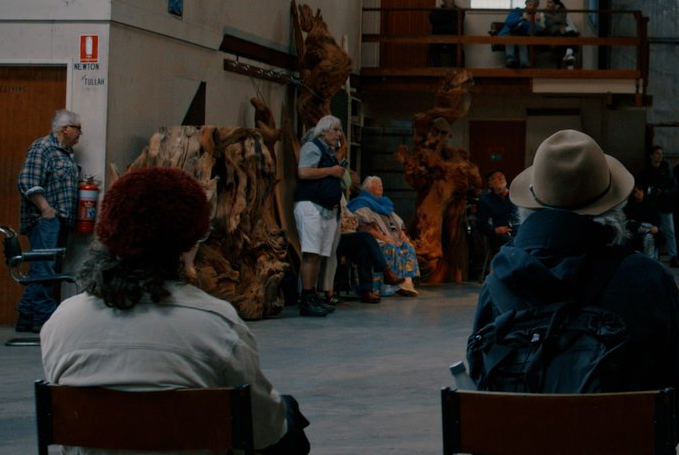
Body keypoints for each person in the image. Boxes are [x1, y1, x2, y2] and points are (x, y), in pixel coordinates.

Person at [42, 167, 310, 454]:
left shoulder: (62, 321)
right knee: (288, 412)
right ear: (186, 245)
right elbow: (264, 431)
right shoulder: (217, 323)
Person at [471, 130, 679, 446]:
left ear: (531, 203)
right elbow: (673, 408)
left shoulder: (497, 282)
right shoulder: (648, 280)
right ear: (612, 205)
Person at [15, 109, 84, 333]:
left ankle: (26, 314)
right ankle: (44, 318)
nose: (80, 133)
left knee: (43, 267)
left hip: (60, 220)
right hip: (45, 220)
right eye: (78, 129)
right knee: (44, 268)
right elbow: (27, 181)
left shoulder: (66, 153)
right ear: (65, 129)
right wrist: (45, 209)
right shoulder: (43, 147)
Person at [295, 115, 347, 317]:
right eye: (336, 130)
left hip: (326, 209)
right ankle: (306, 297)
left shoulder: (329, 152)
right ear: (323, 131)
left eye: (340, 130)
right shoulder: (312, 147)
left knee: (317, 255)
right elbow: (304, 172)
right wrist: (331, 171)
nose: (339, 134)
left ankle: (313, 295)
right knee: (310, 254)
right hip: (311, 206)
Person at [348, 176, 421, 297]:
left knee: (408, 247)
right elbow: (363, 227)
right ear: (368, 188)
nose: (380, 185)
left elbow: (398, 222)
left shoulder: (384, 203)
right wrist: (383, 238)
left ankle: (406, 283)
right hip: (375, 240)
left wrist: (402, 233)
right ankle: (386, 288)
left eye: (381, 183)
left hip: (393, 238)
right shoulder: (361, 203)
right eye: (377, 183)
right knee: (390, 248)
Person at [641, 146, 679, 264]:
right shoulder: (646, 171)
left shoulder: (667, 170)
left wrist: (664, 192)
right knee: (654, 231)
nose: (660, 155)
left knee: (670, 231)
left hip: (665, 204)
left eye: (661, 153)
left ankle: (673, 256)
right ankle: (655, 256)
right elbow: (643, 187)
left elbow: (674, 187)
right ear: (651, 155)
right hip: (652, 205)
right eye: (657, 153)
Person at [475, 169, 517, 270]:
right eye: (496, 178)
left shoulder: (514, 196)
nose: (500, 178)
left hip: (516, 231)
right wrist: (495, 230)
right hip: (498, 235)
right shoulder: (485, 200)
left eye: (501, 176)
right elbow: (481, 224)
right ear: (490, 184)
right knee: (515, 243)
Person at [623, 184, 663, 259]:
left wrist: (656, 226)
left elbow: (657, 218)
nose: (639, 193)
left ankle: (650, 259)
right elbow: (627, 221)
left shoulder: (650, 204)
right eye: (636, 192)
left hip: (650, 231)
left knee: (649, 235)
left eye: (640, 190)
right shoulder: (630, 205)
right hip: (636, 230)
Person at [500, 0, 540, 67]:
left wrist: (535, 22)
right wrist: (521, 18)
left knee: (522, 39)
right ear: (526, 3)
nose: (531, 8)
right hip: (507, 33)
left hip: (519, 35)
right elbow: (508, 23)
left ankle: (524, 63)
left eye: (534, 6)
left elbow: (532, 32)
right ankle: (510, 61)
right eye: (530, 5)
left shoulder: (533, 17)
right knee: (510, 38)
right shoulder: (517, 11)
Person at [428, 0, 463, 67]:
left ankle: (455, 72)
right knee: (433, 48)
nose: (451, 1)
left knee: (458, 51)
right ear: (443, 0)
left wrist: (441, 21)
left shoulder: (458, 11)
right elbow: (432, 18)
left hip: (453, 40)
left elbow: (459, 19)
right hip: (439, 39)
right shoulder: (437, 11)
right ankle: (438, 71)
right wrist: (450, 19)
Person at [543, 0, 580, 68]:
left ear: (556, 4)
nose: (548, 4)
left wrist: (563, 27)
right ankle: (569, 53)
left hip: (563, 31)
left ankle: (569, 54)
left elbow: (564, 20)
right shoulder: (545, 12)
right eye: (547, 2)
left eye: (550, 2)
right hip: (553, 32)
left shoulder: (562, 11)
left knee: (572, 33)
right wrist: (560, 26)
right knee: (567, 40)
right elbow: (550, 22)